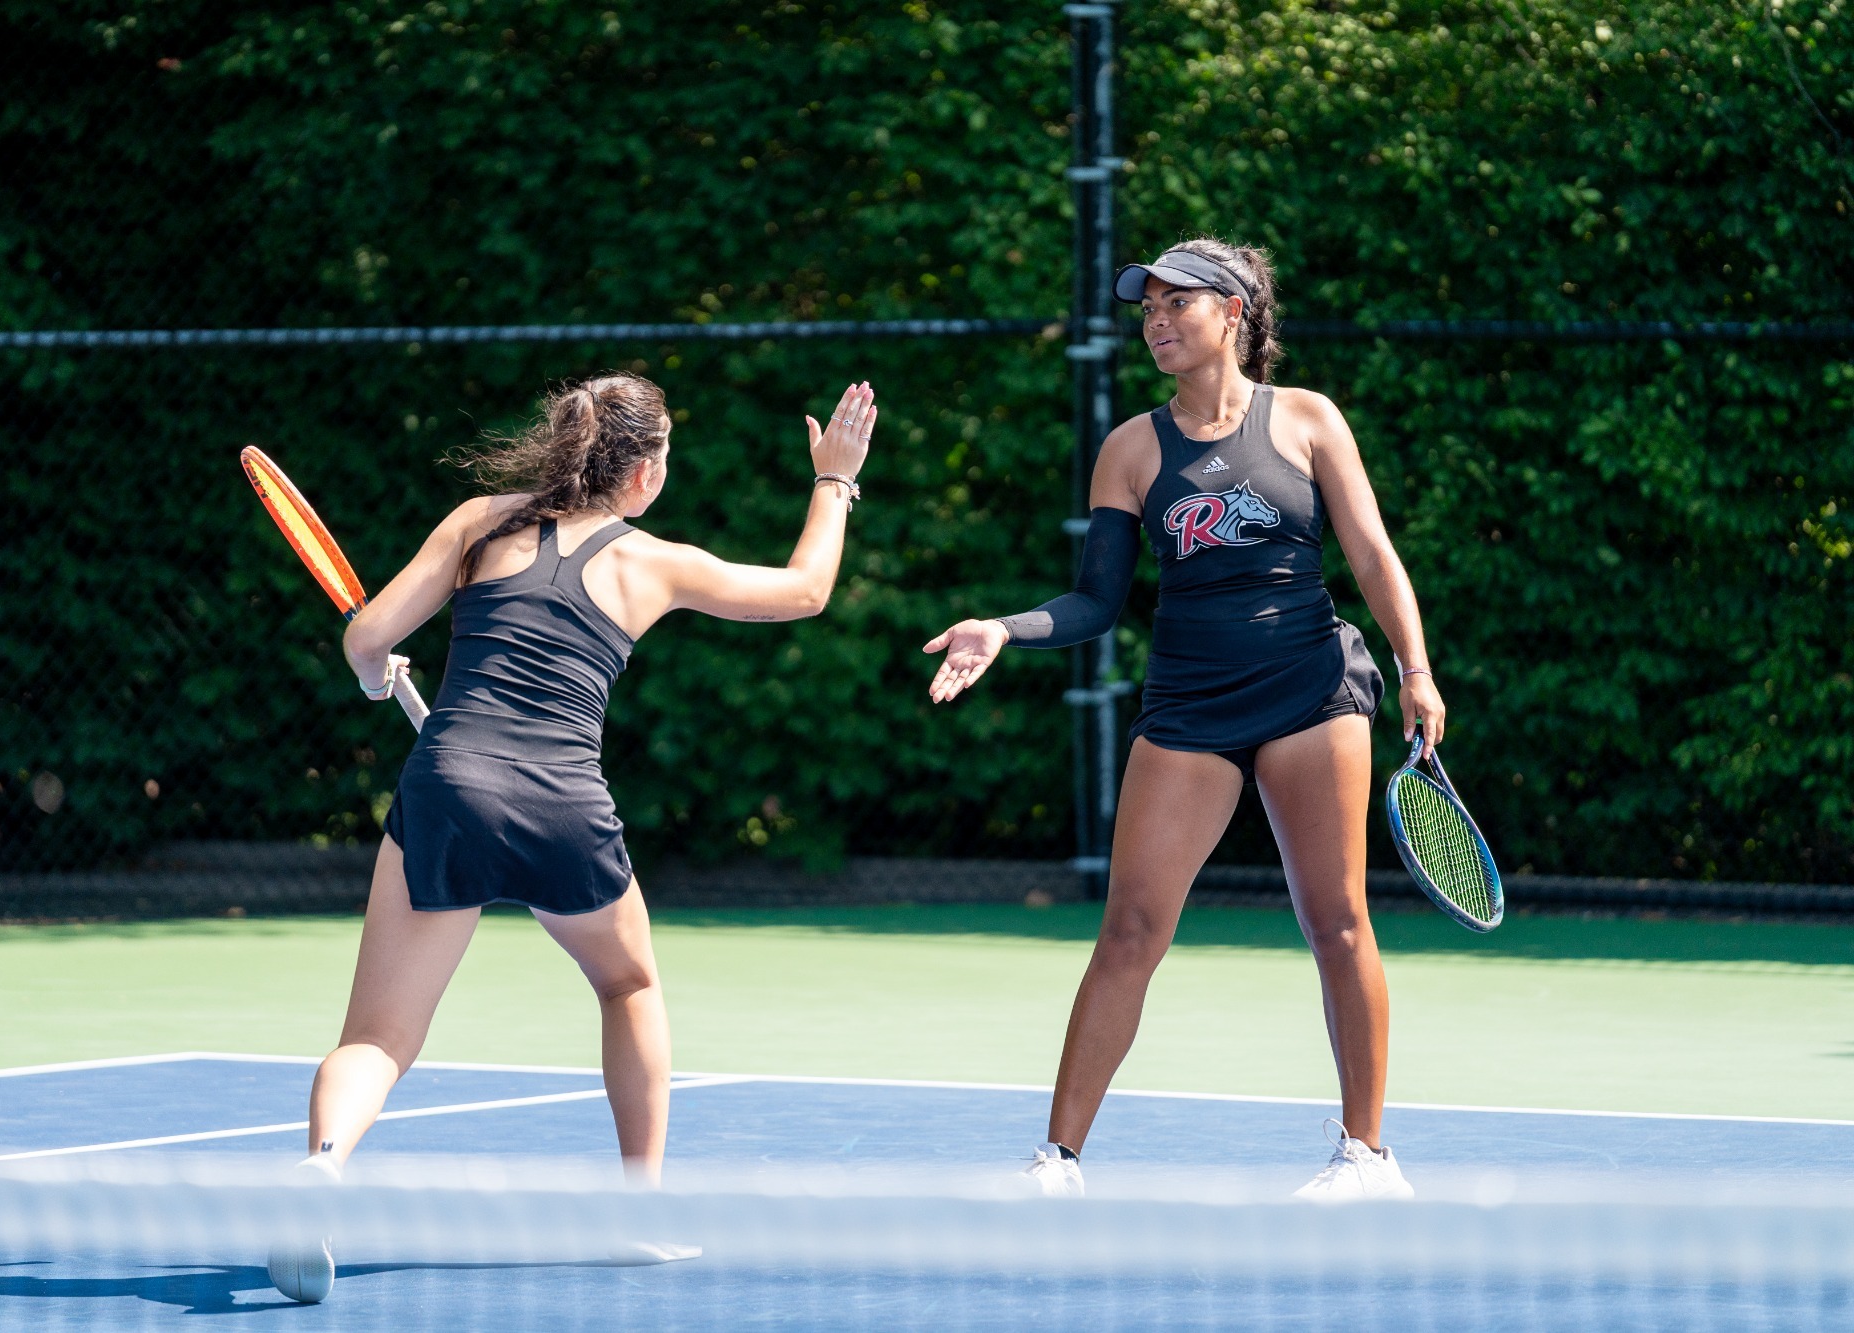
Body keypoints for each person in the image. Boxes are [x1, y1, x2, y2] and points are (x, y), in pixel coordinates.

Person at [268, 374, 877, 1302]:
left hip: (447, 786)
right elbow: (805, 590)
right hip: (562, 801)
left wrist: (372, 670)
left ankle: (320, 1165)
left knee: (380, 1035)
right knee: (629, 984)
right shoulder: (653, 562)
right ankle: (636, 1213)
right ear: (642, 474)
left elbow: (366, 638)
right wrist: (834, 480)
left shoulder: (479, 522)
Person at [923, 238, 1445, 1201]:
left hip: (1311, 689)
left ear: (1232, 312)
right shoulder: (1130, 449)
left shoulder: (1309, 420)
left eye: (1177, 303)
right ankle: (1057, 1162)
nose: (1156, 320)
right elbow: (1095, 601)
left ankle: (1368, 1158)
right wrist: (1001, 627)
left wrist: (1415, 668)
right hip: (1190, 703)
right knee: (1129, 929)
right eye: (1148, 307)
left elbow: (1372, 553)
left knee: (1337, 921)